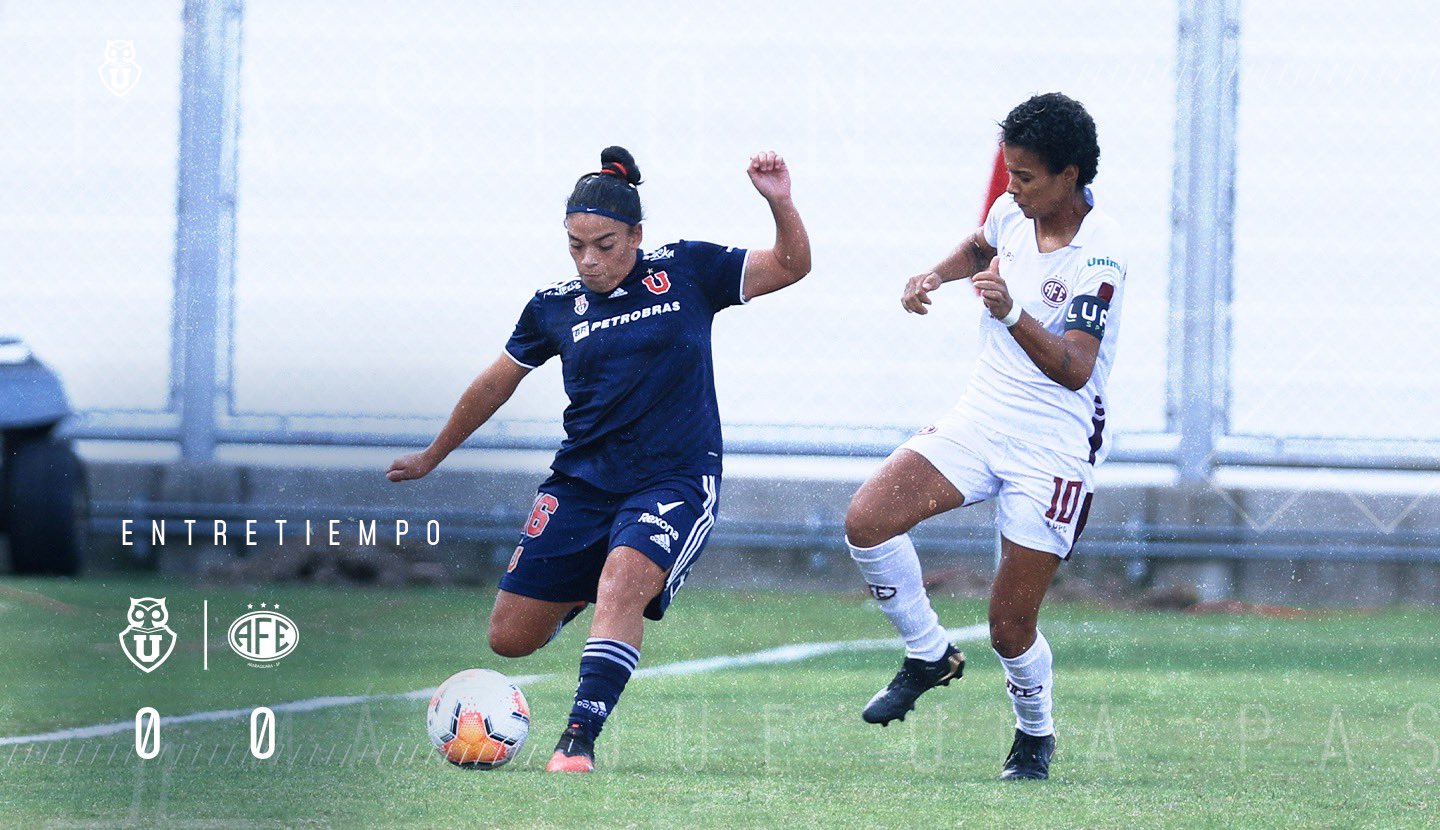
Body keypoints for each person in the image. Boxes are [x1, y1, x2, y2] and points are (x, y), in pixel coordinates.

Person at [387, 146, 811, 773]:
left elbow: (790, 265)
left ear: (637, 235)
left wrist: (779, 202)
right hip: (583, 483)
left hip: (674, 477)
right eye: (576, 246)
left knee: (622, 584)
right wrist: (432, 454)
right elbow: (496, 382)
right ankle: (592, 590)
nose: (590, 260)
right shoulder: (553, 306)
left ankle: (576, 742)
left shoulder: (690, 270)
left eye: (605, 244)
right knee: (510, 639)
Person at [843, 93, 1126, 781]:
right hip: (983, 416)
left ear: (1069, 175)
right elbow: (981, 242)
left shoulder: (1100, 261)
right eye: (1009, 173)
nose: (1013, 188)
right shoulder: (1011, 211)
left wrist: (1013, 310)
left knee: (1008, 627)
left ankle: (1035, 735)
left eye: (1025, 176)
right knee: (867, 521)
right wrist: (934, 276)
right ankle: (928, 654)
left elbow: (1073, 368)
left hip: (1053, 448)